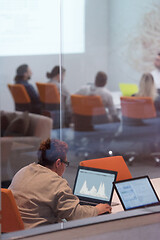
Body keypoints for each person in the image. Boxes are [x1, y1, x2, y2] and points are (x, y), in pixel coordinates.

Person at [9, 138, 111, 229]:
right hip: (38, 233)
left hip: (14, 231)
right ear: (58, 163)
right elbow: (75, 216)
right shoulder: (56, 183)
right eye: (65, 163)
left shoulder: (23, 171)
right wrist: (97, 209)